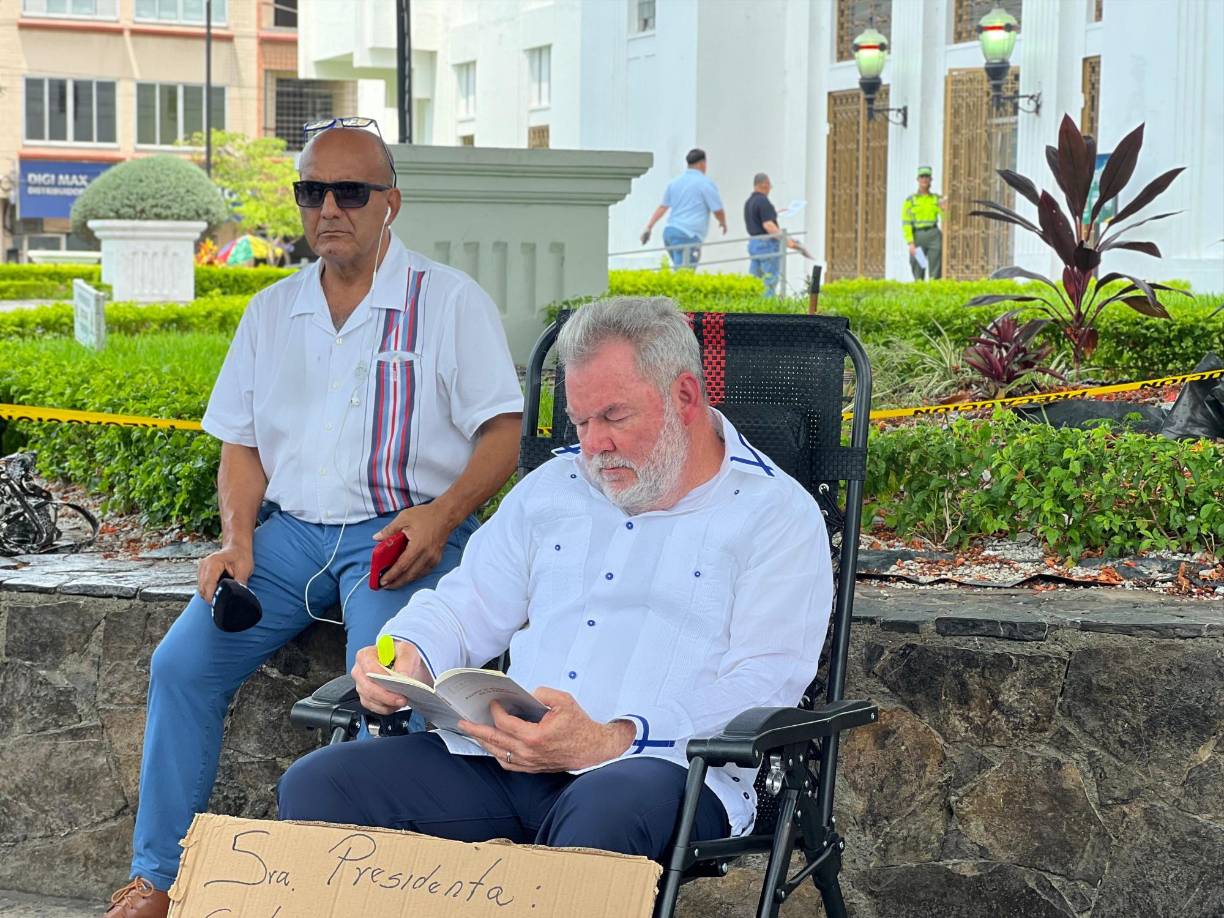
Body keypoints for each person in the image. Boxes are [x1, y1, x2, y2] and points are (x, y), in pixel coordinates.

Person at [104, 120, 524, 918]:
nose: (329, 207)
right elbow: (242, 445)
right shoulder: (271, 312)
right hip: (290, 537)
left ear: (389, 203)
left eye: (350, 191)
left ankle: (364, 891)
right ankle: (160, 878)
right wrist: (236, 540)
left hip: (399, 533)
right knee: (179, 666)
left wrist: (442, 516)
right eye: (311, 191)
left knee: (390, 693)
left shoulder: (450, 301)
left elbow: (503, 434)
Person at [277, 297, 833, 864]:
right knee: (320, 784)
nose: (594, 444)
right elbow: (465, 603)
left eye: (614, 417)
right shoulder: (554, 487)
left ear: (685, 397)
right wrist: (410, 655)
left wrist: (613, 738)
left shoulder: (775, 515)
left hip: (663, 774)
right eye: (581, 421)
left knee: (602, 815)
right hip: (502, 758)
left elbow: (763, 684)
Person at [640, 149, 727, 269]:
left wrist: (649, 227)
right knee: (684, 275)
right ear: (702, 163)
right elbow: (717, 210)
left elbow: (663, 207)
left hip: (670, 233)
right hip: (688, 234)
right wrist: (722, 222)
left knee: (680, 269)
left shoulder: (675, 182)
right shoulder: (705, 183)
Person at [744, 172, 801, 298]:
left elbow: (758, 219)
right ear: (765, 184)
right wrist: (786, 240)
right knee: (769, 281)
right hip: (766, 245)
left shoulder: (750, 202)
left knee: (755, 280)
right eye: (770, 185)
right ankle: (766, 311)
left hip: (754, 244)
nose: (770, 188)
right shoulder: (763, 201)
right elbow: (768, 225)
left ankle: (753, 308)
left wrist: (774, 213)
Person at [902, 165, 945, 280]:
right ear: (918, 180)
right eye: (922, 177)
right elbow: (906, 223)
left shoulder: (936, 199)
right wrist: (910, 242)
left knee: (935, 268)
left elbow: (946, 219)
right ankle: (920, 290)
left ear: (931, 179)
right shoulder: (911, 200)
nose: (924, 179)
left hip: (933, 236)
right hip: (918, 237)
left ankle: (934, 292)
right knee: (919, 267)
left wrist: (944, 209)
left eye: (927, 177)